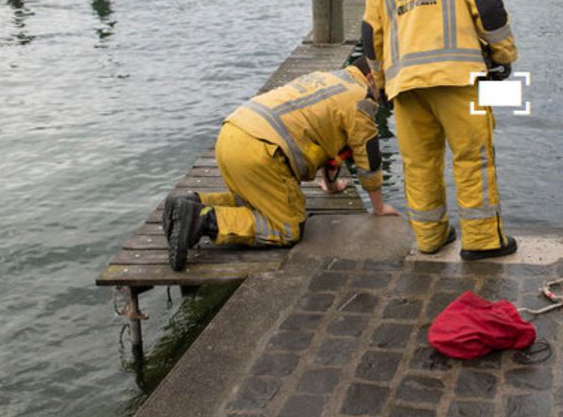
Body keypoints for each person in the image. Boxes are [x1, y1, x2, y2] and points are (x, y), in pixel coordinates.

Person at [361, 0, 517, 260]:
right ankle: (481, 242)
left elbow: (371, 33)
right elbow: (488, 3)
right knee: (472, 157)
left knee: (418, 163)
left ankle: (430, 238)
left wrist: (381, 83)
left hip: (405, 83)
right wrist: (504, 54)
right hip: (458, 74)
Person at [164, 58, 397, 271]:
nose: (380, 99)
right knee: (287, 228)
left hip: (231, 134)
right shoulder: (360, 98)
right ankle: (203, 220)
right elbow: (369, 157)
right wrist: (379, 208)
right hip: (262, 150)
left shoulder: (329, 78)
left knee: (257, 202)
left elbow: (331, 143)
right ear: (369, 78)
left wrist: (332, 185)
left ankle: (192, 203)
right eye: (382, 91)